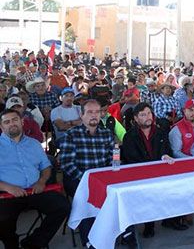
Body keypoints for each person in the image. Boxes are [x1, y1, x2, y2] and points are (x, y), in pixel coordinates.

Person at [0, 109, 70, 249]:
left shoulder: (33, 144)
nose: (11, 124)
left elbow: (46, 167)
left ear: (22, 122)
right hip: (7, 194)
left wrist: (41, 181)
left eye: (14, 120)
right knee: (2, 220)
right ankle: (11, 245)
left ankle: (34, 242)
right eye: (6, 122)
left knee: (62, 206)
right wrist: (9, 188)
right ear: (1, 127)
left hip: (35, 190)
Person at [121, 103, 182, 239]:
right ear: (136, 119)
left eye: (149, 113)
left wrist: (165, 155)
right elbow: (131, 158)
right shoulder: (130, 136)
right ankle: (149, 225)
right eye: (143, 115)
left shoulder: (160, 132)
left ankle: (170, 220)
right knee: (148, 193)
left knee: (176, 187)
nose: (147, 117)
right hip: (140, 174)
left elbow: (167, 150)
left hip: (161, 171)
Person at [60, 99, 113, 248]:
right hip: (78, 178)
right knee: (86, 195)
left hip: (102, 178)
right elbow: (66, 163)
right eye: (90, 112)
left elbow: (111, 159)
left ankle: (122, 233)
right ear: (82, 115)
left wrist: (112, 172)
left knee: (118, 192)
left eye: (97, 112)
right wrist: (87, 179)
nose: (94, 115)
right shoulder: (72, 134)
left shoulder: (106, 134)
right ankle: (90, 241)